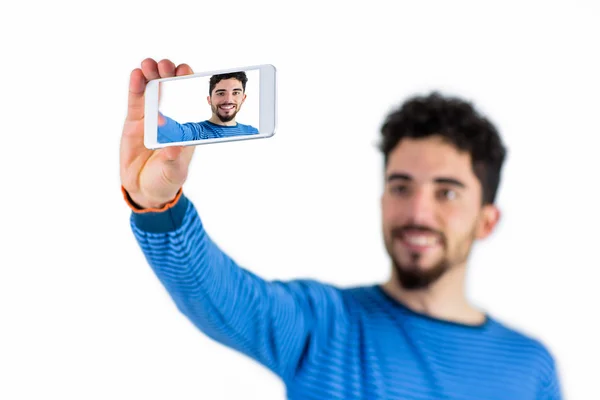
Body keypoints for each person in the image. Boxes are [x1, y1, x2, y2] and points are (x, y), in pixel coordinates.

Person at [120, 58, 563, 399]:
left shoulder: (530, 367)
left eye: (446, 192)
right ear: (382, 200)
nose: (418, 213)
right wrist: (158, 206)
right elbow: (219, 293)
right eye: (401, 187)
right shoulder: (324, 326)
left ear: (486, 221)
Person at [157, 70, 259, 143]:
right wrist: (155, 118)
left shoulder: (253, 133)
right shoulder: (199, 132)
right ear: (209, 99)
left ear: (243, 98)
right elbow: (180, 133)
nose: (228, 100)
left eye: (235, 93)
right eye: (220, 93)